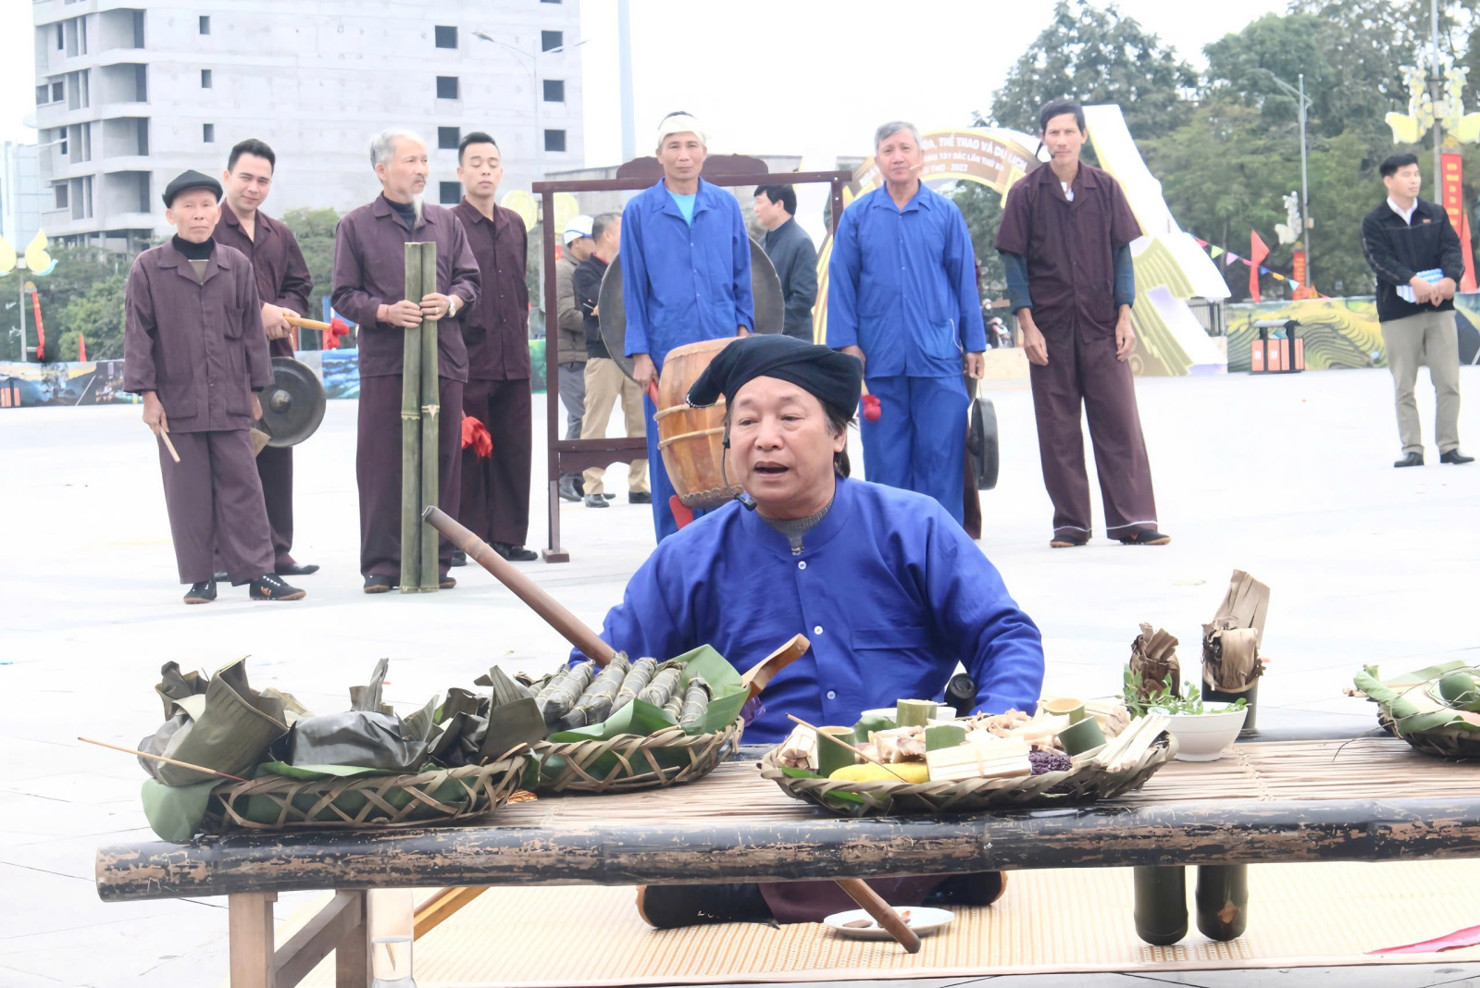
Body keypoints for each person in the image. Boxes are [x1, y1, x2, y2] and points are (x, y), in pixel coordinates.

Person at [571, 334, 1044, 927]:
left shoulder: (913, 525)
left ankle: (924, 871)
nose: (765, 437)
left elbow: (1006, 637)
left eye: (790, 417)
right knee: (695, 871)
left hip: (907, 795)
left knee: (949, 837)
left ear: (839, 434)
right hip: (755, 808)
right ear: (727, 442)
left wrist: (986, 739)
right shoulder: (684, 560)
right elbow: (595, 672)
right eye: (745, 421)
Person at [123, 170, 306, 604]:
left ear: (216, 211)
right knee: (187, 492)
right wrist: (148, 397)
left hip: (230, 398)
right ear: (171, 215)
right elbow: (138, 335)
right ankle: (200, 576)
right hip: (177, 401)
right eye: (188, 206)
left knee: (244, 487)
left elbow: (250, 333)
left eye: (207, 205)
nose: (199, 214)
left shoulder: (235, 265)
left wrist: (257, 391)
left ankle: (260, 574)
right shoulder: (149, 268)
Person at [995, 99, 1170, 547]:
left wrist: (1125, 314)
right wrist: (1026, 323)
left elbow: (1121, 256)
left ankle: (1132, 520)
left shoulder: (1105, 188)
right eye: (1053, 133)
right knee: (1057, 427)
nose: (1061, 140)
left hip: (1101, 323)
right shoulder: (1026, 193)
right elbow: (1014, 263)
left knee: (1119, 421)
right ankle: (1071, 522)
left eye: (1069, 132)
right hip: (1049, 327)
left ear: (1083, 137)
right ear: (1042, 138)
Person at [331, 129, 480, 592]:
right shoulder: (356, 225)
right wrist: (382, 312)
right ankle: (382, 563)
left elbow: (469, 281)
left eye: (424, 161)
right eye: (410, 161)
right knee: (381, 463)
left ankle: (437, 559)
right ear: (382, 169)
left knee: (442, 462)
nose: (420, 170)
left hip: (442, 359)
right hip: (386, 361)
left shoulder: (446, 221)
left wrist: (451, 303)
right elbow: (342, 294)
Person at [826, 121, 986, 526]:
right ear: (877, 159)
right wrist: (847, 347)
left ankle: (942, 546)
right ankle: (890, 545)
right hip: (878, 360)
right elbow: (841, 284)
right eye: (887, 150)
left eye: (905, 148)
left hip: (938, 356)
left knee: (941, 457)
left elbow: (963, 281)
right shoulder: (858, 216)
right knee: (886, 462)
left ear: (920, 156)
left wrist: (974, 344)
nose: (897, 157)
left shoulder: (945, 214)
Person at [621, 111, 754, 540]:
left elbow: (741, 277)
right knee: (671, 458)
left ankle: (730, 546)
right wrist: (640, 354)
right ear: (658, 155)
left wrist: (744, 331)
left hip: (721, 350)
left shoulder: (726, 206)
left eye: (691, 146)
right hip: (667, 355)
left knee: (725, 449)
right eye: (674, 146)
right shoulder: (640, 211)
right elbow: (633, 289)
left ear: (704, 153)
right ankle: (674, 550)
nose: (683, 155)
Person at [212, 138, 318, 577]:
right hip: (223, 362)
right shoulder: (207, 230)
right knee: (229, 459)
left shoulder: (280, 233)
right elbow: (204, 295)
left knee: (275, 451)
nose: (253, 188)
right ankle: (224, 556)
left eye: (262, 180)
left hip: (275, 361)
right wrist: (259, 313)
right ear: (226, 177)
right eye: (245, 178)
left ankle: (277, 550)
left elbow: (302, 285)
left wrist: (286, 312)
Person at [451, 132, 538, 562]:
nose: (485, 170)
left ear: (502, 171)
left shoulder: (515, 224)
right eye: (477, 163)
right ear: (460, 172)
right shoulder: (448, 223)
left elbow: (518, 285)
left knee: (514, 449)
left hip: (514, 357)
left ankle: (508, 537)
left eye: (493, 163)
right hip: (470, 357)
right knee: (470, 450)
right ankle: (468, 538)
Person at [1361, 152, 1473, 467]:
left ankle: (1449, 446)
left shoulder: (1435, 214)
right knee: (1403, 383)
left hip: (1440, 309)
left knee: (1449, 381)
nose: (1414, 180)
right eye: (1407, 174)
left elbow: (1452, 248)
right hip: (1399, 312)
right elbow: (1378, 260)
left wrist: (1451, 278)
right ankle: (1412, 448)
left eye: (1416, 174)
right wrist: (1411, 281)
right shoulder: (1375, 221)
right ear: (1389, 180)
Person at [575, 212, 649, 507]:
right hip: (602, 354)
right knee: (596, 421)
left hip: (632, 353)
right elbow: (604, 306)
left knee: (640, 420)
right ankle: (592, 486)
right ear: (607, 234)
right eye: (622, 229)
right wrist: (621, 305)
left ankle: (638, 484)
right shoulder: (585, 271)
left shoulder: (630, 266)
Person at [554, 215, 595, 502]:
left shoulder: (580, 269)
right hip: (569, 356)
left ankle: (578, 477)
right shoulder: (562, 271)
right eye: (593, 237)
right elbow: (565, 315)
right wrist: (599, 320)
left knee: (585, 417)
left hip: (582, 354)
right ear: (577, 241)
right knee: (579, 417)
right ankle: (566, 476)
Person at [754, 184, 818, 341]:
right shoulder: (762, 242)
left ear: (779, 205)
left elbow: (804, 297)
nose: (756, 209)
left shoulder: (801, 242)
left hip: (793, 340)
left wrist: (772, 326)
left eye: (760, 202)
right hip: (767, 338)